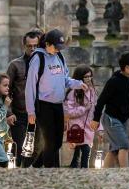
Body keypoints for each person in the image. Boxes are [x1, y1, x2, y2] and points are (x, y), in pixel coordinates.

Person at [25, 29, 85, 168]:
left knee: (57, 142)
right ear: (47, 44)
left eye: (60, 47)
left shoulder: (60, 57)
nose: (58, 50)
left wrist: (78, 84)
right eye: (56, 47)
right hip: (44, 106)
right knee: (50, 141)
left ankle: (36, 166)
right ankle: (49, 171)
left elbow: (65, 80)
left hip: (58, 105)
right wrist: (31, 111)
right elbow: (30, 87)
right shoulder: (37, 58)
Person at [90, 52, 129, 168]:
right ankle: (126, 174)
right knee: (124, 146)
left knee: (114, 149)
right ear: (127, 67)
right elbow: (101, 101)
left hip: (123, 119)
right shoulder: (114, 81)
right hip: (111, 119)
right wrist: (95, 119)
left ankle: (104, 173)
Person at [6, 30, 41, 166]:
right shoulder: (15, 65)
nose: (32, 49)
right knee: (20, 149)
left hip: (39, 113)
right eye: (29, 46)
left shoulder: (42, 65)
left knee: (37, 150)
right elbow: (6, 90)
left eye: (35, 46)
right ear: (24, 45)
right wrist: (8, 113)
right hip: (19, 114)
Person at [64, 65, 99, 169]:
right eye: (86, 77)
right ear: (80, 78)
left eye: (90, 76)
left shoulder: (92, 91)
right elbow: (68, 112)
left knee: (80, 152)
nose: (89, 79)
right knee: (85, 150)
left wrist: (100, 128)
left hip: (88, 128)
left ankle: (75, 168)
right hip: (77, 128)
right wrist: (84, 108)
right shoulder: (72, 92)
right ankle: (84, 172)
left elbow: (96, 111)